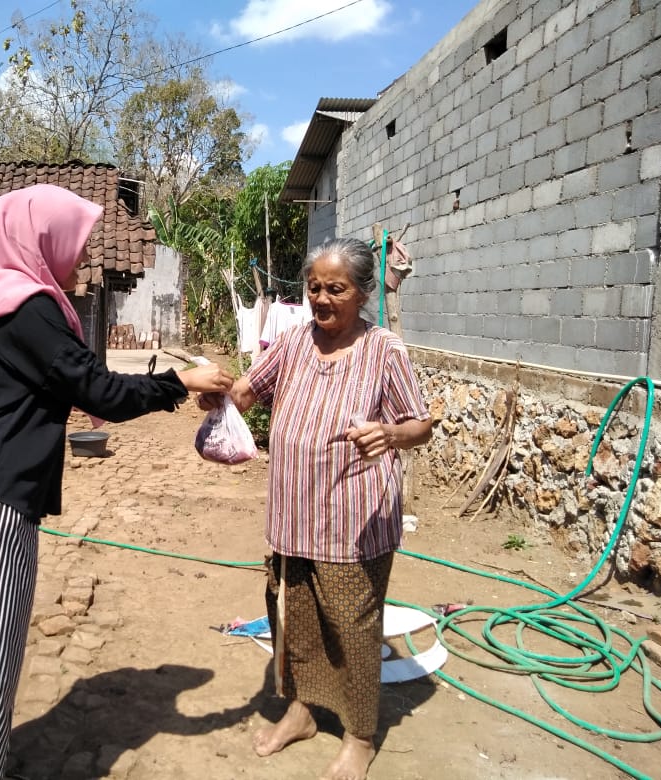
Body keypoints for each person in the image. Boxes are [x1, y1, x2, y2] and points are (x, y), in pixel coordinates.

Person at [0, 183, 233, 780]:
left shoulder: (14, 303)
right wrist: (181, 383)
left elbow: (84, 383)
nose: (83, 257)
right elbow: (99, 389)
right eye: (76, 242)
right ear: (40, 239)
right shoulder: (29, 309)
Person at [202, 237, 431, 780]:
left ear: (362, 292)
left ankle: (359, 735)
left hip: (354, 519)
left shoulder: (384, 350)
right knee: (295, 616)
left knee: (352, 624)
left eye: (336, 288)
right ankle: (302, 710)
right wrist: (217, 395)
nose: (322, 299)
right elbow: (249, 391)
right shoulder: (294, 341)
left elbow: (420, 424)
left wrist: (389, 433)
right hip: (293, 514)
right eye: (314, 288)